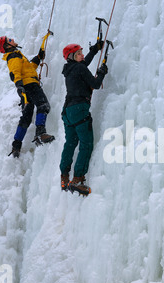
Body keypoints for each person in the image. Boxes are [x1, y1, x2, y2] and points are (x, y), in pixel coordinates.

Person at [60, 40, 108, 196]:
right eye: (78, 53)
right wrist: (102, 72)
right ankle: (78, 179)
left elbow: (83, 63)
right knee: (86, 144)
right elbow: (94, 83)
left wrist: (94, 51)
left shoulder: (70, 69)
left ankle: (64, 176)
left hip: (67, 111)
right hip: (80, 109)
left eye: (81, 52)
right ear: (72, 57)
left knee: (70, 143)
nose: (81, 55)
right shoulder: (79, 68)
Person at [0, 34, 55, 158]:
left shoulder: (16, 56)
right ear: (7, 45)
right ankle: (40, 133)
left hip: (26, 86)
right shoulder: (13, 56)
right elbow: (15, 72)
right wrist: (19, 86)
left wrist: (38, 58)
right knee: (43, 105)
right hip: (30, 86)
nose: (13, 39)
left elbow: (29, 69)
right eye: (10, 40)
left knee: (26, 117)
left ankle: (16, 145)